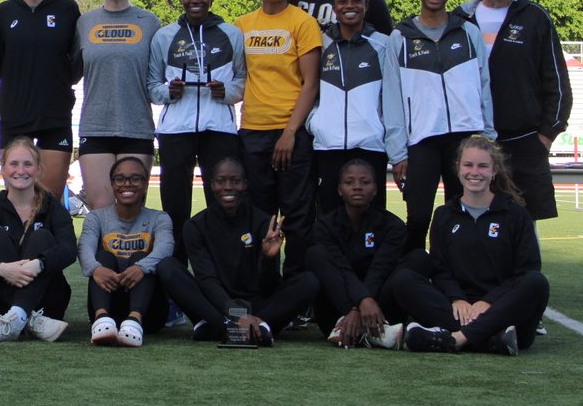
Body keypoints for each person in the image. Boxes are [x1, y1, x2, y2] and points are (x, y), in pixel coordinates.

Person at [392, 136, 549, 355]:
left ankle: (455, 338)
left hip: (503, 308)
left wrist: (489, 301)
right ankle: (492, 340)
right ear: (458, 168)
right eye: (468, 165)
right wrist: (457, 298)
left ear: (494, 170)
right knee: (403, 279)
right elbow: (439, 268)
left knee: (536, 283)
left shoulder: (515, 215)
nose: (474, 172)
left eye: (482, 166)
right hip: (459, 310)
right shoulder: (444, 215)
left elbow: (526, 270)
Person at [452, 0, 572, 222]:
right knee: (471, 224)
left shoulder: (535, 18)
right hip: (471, 142)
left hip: (524, 142)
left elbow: (558, 83)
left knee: (525, 226)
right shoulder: (458, 20)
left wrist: (545, 136)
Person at [389, 0, 494, 252]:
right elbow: (392, 97)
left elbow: (484, 85)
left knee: (461, 217)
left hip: (464, 139)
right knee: (419, 216)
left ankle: (459, 283)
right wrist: (397, 152)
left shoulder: (468, 32)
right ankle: (412, 281)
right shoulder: (400, 38)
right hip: (421, 141)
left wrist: (488, 135)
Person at [158, 157, 319, 346]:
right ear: (211, 185)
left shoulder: (263, 223)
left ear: (245, 184)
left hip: (258, 305)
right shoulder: (195, 226)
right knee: (167, 267)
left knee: (309, 281)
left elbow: (269, 287)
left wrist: (267, 258)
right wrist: (236, 314)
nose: (228, 187)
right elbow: (207, 281)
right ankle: (243, 327)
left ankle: (233, 326)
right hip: (215, 304)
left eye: (235, 181)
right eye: (221, 181)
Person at [148, 0, 244, 259]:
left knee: (222, 204)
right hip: (176, 130)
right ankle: (176, 277)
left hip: (220, 130)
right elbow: (153, 85)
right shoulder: (164, 36)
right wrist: (169, 92)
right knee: (175, 207)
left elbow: (242, 81)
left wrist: (225, 92)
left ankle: (219, 271)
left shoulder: (231, 34)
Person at [234, 0, 321, 275]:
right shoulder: (242, 24)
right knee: (259, 215)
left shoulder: (302, 22)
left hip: (292, 133)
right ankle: (264, 285)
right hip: (253, 132)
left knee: (296, 215)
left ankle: (297, 288)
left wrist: (289, 132)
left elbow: (310, 84)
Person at [307, 0, 406, 215]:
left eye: (356, 0)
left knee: (372, 219)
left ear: (366, 5)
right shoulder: (320, 43)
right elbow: (307, 88)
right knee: (329, 219)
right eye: (342, 1)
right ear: (334, 6)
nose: (349, 6)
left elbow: (393, 100)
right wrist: (316, 124)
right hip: (327, 147)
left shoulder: (384, 43)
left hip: (370, 147)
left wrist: (398, 150)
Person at [0, 137, 77, 342]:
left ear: (38, 169)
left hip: (47, 304)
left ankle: (16, 318)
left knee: (42, 237)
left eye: (28, 164)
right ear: (3, 169)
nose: (21, 170)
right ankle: (29, 318)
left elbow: (69, 249)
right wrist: (1, 268)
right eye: (14, 164)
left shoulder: (52, 207)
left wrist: (39, 264)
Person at [74, 0, 161, 210]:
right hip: (95, 127)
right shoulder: (85, 22)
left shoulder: (149, 22)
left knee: (131, 209)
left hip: (136, 127)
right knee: (101, 210)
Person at [0, 0, 82, 198]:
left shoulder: (67, 9)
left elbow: (77, 57)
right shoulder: (5, 12)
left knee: (48, 199)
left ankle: (47, 238)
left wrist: (61, 82)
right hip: (14, 114)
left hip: (55, 114)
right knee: (17, 197)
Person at [304, 159, 406, 348]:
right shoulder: (324, 227)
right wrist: (355, 306)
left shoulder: (393, 226)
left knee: (416, 259)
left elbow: (380, 269)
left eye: (364, 182)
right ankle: (370, 332)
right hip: (337, 309)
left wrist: (365, 301)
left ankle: (363, 331)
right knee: (315, 254)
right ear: (339, 190)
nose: (357, 187)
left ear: (376, 189)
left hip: (378, 309)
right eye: (349, 182)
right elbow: (342, 269)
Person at [78, 156, 173, 347]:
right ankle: (102, 318)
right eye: (120, 179)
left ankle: (135, 320)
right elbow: (84, 247)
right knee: (103, 256)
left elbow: (166, 248)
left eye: (135, 178)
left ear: (146, 184)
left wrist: (141, 267)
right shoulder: (96, 217)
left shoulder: (159, 218)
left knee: (142, 258)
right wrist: (96, 269)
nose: (127, 184)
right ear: (112, 185)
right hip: (108, 302)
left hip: (149, 312)